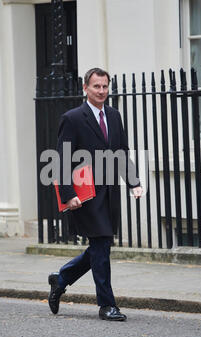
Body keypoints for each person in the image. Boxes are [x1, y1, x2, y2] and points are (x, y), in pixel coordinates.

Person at [48, 68, 143, 321]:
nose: (101, 91)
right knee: (101, 245)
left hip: (110, 194)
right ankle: (107, 304)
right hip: (86, 194)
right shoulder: (72, 118)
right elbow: (61, 160)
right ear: (85, 88)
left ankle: (62, 278)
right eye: (96, 87)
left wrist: (133, 182)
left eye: (104, 86)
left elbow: (121, 152)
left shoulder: (114, 115)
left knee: (100, 247)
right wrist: (68, 195)